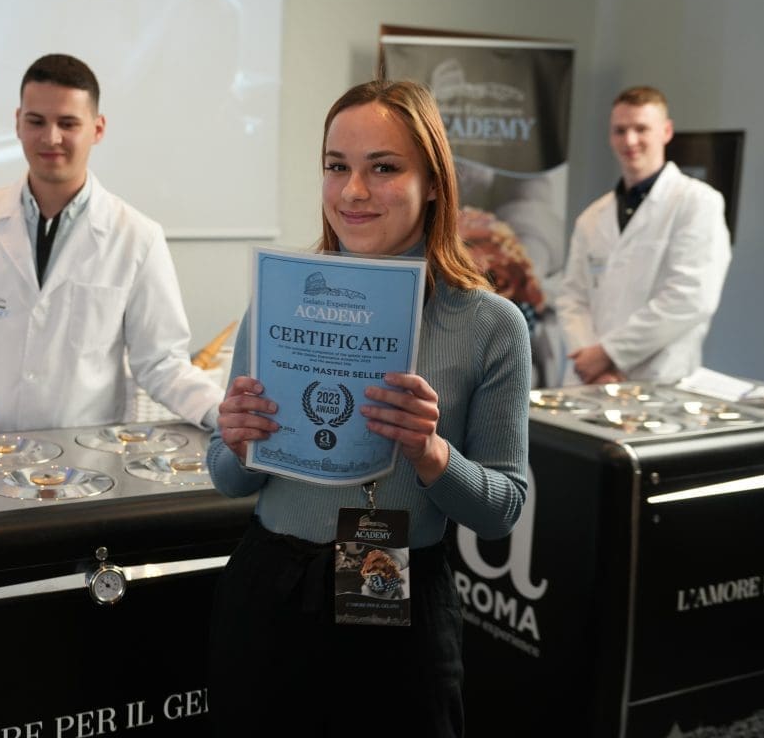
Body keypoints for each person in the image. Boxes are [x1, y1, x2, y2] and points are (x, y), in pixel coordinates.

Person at [206, 79, 531, 737]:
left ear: (432, 182)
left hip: (394, 587)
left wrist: (432, 455)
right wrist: (236, 443)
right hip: (270, 586)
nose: (353, 191)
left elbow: (502, 510)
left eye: (383, 168)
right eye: (337, 167)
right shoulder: (280, 300)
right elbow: (227, 477)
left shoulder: (489, 325)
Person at [0, 53, 222, 439]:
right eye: (36, 121)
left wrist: (220, 411)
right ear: (17, 122)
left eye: (68, 123)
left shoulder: (137, 236)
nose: (51, 138)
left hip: (87, 455)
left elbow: (162, 363)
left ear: (98, 128)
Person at [558, 87, 731, 385]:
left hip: (658, 380)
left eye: (641, 129)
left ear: (666, 131)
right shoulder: (592, 217)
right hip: (590, 380)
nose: (630, 140)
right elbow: (572, 298)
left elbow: (691, 296)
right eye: (620, 130)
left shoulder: (698, 203)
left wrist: (609, 354)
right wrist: (592, 362)